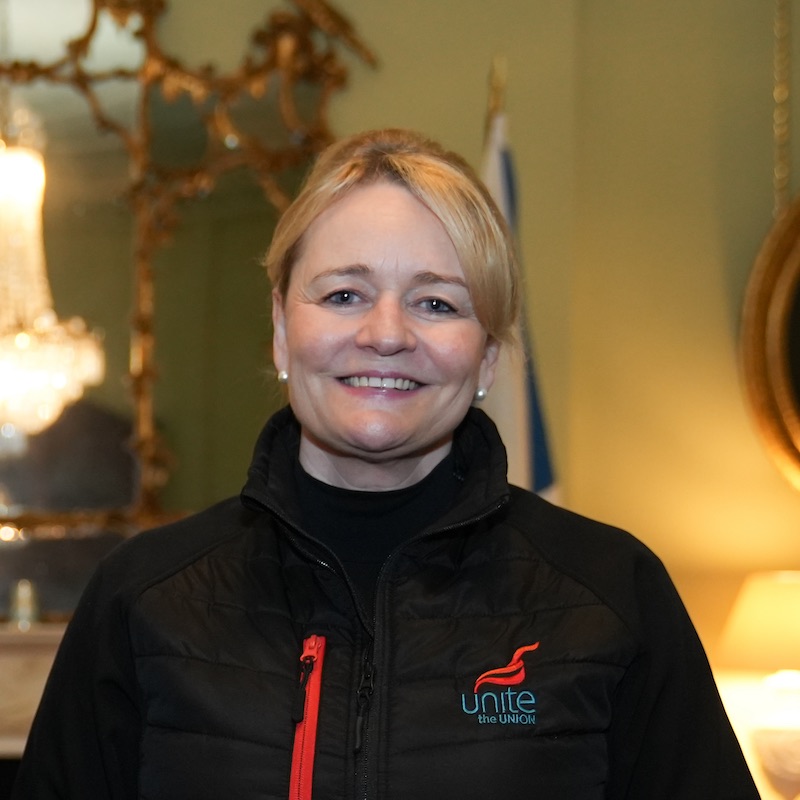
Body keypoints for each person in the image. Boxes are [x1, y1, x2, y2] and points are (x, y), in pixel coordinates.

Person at [13, 128, 759, 800]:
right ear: (281, 329)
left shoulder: (611, 592)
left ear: (487, 356)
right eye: (345, 294)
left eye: (437, 304)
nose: (386, 333)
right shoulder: (142, 596)